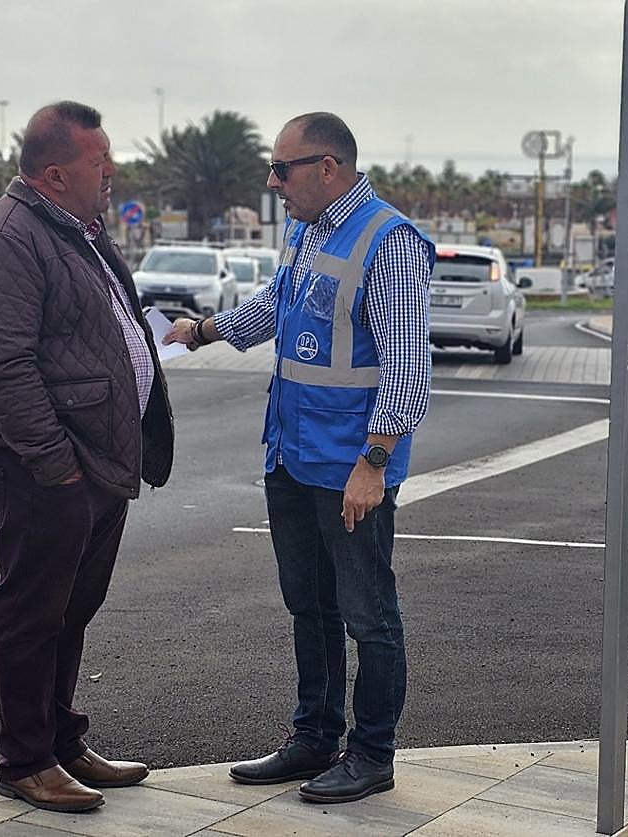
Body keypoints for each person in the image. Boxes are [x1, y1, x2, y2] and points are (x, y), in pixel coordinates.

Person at [164, 112, 433, 805]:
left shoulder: (390, 242)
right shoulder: (307, 232)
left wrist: (373, 462)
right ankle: (313, 737)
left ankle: (371, 752)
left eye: (283, 169)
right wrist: (201, 332)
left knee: (368, 614)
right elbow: (277, 308)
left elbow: (407, 370)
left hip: (350, 469)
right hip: (290, 455)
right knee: (308, 607)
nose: (272, 181)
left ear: (328, 169)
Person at [0, 101, 174, 813]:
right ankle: (24, 758)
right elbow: (4, 365)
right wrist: (56, 464)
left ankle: (60, 740)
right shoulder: (6, 241)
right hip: (46, 462)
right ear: (55, 173)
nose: (111, 169)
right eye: (98, 158)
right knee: (32, 607)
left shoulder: (76, 230)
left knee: (71, 606)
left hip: (94, 459)